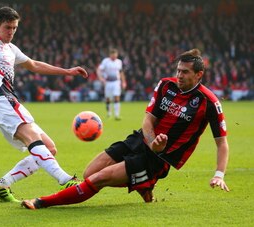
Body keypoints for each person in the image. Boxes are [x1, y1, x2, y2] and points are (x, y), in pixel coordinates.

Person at [21, 48, 230, 209]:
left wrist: (219, 174)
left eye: (185, 72)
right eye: (178, 71)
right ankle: (143, 183)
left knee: (99, 179)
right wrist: (151, 141)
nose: (179, 76)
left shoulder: (208, 102)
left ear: (199, 74)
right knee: (89, 172)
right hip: (141, 140)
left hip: (160, 158)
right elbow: (148, 119)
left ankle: (42, 202)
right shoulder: (166, 85)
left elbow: (222, 143)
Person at [0, 6, 88, 202]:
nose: (11, 32)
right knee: (33, 139)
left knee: (49, 147)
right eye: (7, 27)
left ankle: (2, 184)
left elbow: (34, 65)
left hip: (11, 100)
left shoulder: (10, 48)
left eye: (14, 28)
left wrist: (67, 71)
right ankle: (65, 180)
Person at [96, 48, 126, 120]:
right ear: (110, 55)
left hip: (116, 82)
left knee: (116, 97)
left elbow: (121, 72)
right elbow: (98, 69)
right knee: (108, 98)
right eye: (112, 55)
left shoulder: (119, 62)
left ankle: (116, 115)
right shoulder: (106, 61)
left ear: (117, 55)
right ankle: (109, 113)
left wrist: (124, 81)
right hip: (108, 82)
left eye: (115, 55)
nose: (114, 57)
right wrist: (100, 78)